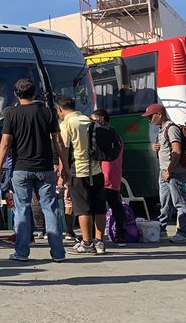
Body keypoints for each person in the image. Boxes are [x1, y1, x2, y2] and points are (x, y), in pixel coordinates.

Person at [0, 78, 70, 263]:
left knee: (22, 210)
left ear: (15, 94)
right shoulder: (47, 112)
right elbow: (58, 142)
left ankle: (22, 252)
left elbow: (5, 144)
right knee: (50, 209)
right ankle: (58, 253)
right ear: (34, 93)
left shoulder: (11, 113)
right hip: (45, 169)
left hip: (21, 169)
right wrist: (64, 165)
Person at [56, 96, 106, 255]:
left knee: (82, 208)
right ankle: (100, 242)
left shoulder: (66, 124)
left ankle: (86, 243)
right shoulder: (88, 120)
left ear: (60, 109)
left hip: (78, 171)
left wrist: (62, 172)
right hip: (97, 171)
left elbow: (63, 149)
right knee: (99, 208)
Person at [143, 103, 186, 242]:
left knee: (180, 202)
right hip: (164, 171)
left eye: (151, 116)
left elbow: (177, 151)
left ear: (159, 114)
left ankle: (183, 233)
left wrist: (169, 171)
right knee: (165, 203)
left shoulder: (171, 128)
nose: (149, 120)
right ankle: (161, 229)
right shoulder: (161, 129)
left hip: (173, 172)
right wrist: (155, 147)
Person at [91, 109, 127, 246]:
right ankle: (120, 235)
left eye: (93, 119)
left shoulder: (101, 133)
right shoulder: (115, 133)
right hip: (114, 175)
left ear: (100, 119)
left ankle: (95, 236)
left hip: (103, 174)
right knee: (116, 205)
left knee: (98, 207)